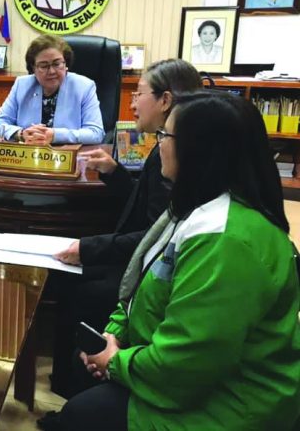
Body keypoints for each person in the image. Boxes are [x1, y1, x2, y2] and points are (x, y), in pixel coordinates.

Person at [47, 91, 300, 430]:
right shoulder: (192, 207)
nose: (159, 143)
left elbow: (187, 362)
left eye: (165, 135)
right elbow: (145, 284)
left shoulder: (226, 240)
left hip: (230, 404)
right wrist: (113, 336)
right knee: (82, 385)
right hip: (184, 378)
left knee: (83, 414)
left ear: (200, 149)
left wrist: (115, 362)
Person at [47, 59, 203, 400]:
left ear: (165, 100)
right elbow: (145, 210)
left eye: (139, 93)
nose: (131, 102)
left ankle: (75, 394)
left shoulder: (177, 155)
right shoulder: (165, 144)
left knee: (80, 290)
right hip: (139, 260)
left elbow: (154, 238)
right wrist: (116, 173)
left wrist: (88, 248)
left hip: (149, 273)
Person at [0, 35, 104, 145]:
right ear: (33, 68)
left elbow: (96, 133)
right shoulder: (22, 85)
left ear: (66, 64)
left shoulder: (84, 86)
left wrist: (55, 135)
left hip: (67, 157)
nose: (51, 71)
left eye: (57, 64)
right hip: (29, 155)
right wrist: (21, 134)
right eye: (44, 66)